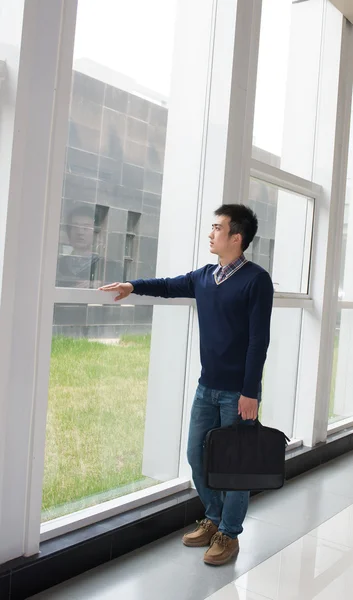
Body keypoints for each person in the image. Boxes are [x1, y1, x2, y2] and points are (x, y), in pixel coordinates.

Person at [100, 204, 273, 566]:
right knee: (197, 455)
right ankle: (213, 517)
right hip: (206, 387)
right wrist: (133, 285)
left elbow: (259, 340)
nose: (211, 233)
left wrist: (250, 392)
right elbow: (167, 285)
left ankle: (229, 533)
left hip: (237, 392)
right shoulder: (205, 276)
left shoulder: (256, 280)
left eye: (217, 228)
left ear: (236, 237)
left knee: (234, 468)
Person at [57, 205, 101, 288]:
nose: (80, 232)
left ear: (95, 233)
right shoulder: (58, 265)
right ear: (69, 231)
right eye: (75, 227)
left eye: (86, 227)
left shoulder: (108, 267)